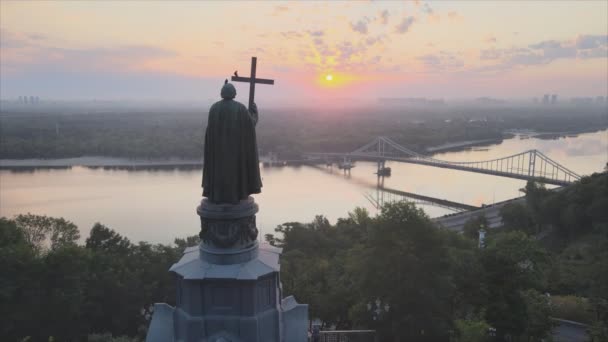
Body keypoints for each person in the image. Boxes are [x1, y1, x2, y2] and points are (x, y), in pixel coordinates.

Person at [202, 81, 262, 204]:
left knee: (219, 172)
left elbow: (210, 133)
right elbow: (250, 126)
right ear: (234, 94)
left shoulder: (214, 108)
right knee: (235, 173)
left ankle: (217, 195)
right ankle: (236, 194)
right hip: (235, 152)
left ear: (222, 93)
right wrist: (254, 114)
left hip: (218, 153)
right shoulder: (240, 108)